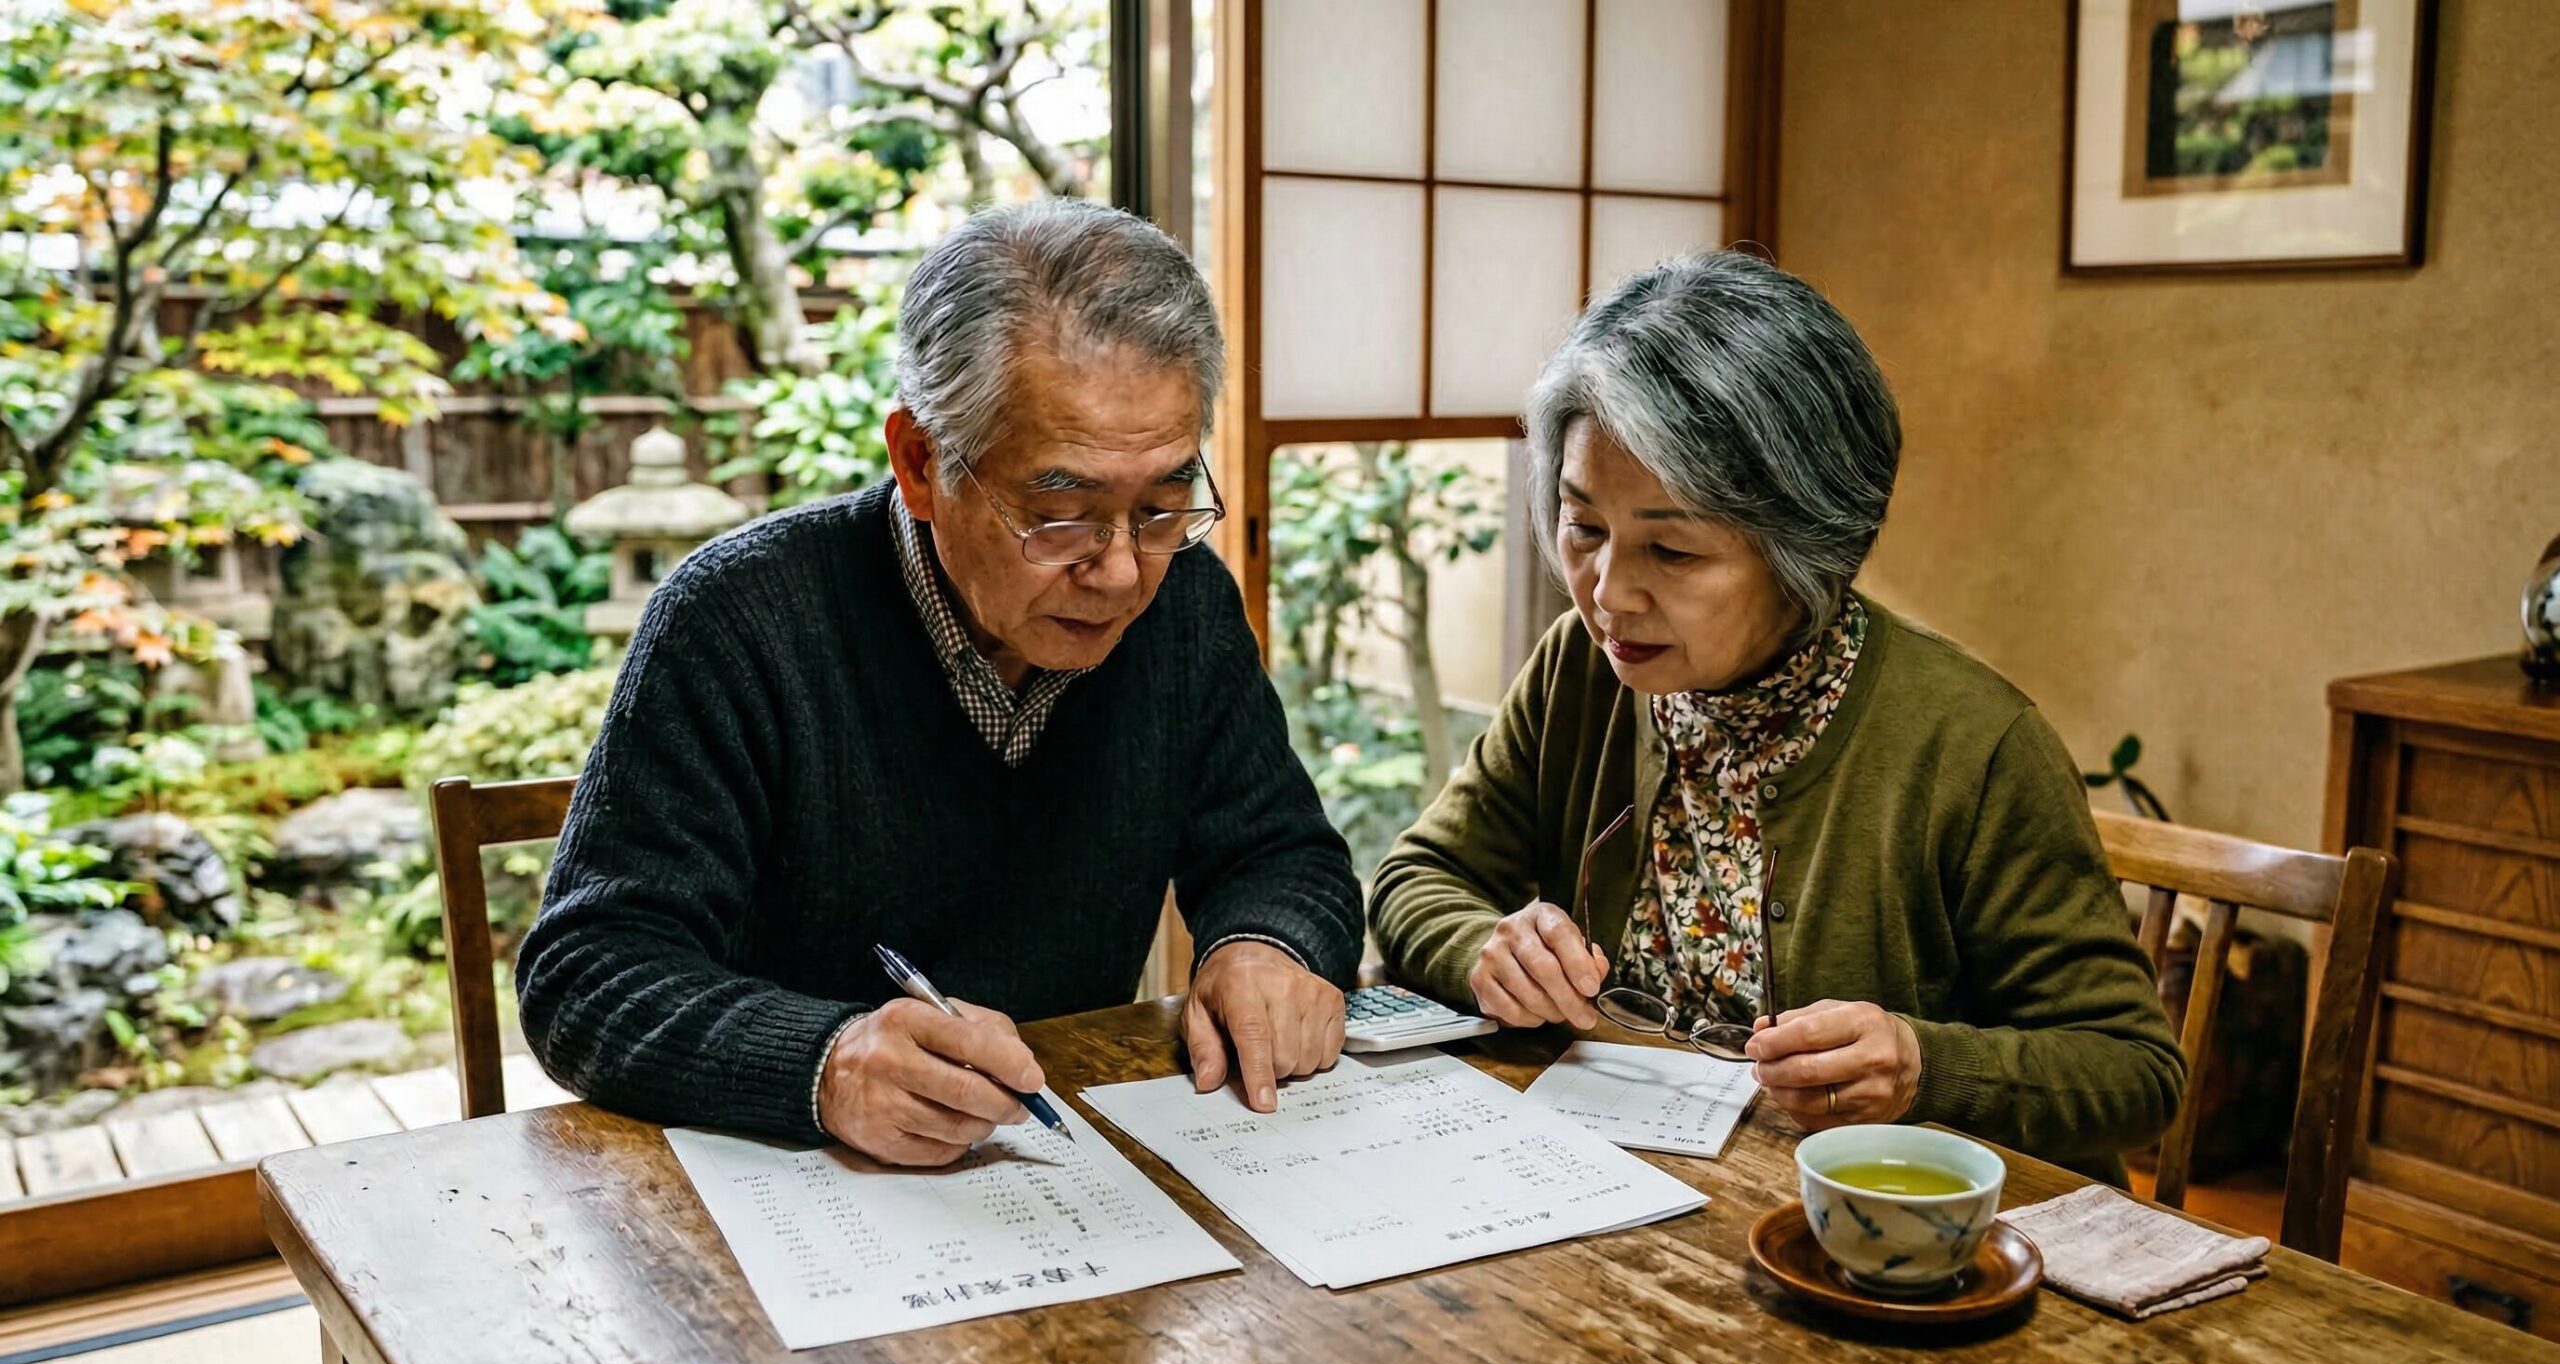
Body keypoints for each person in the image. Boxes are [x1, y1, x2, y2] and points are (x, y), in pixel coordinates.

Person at [516, 199, 1361, 1166]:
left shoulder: (1185, 605)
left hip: (1075, 1176)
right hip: (793, 1196)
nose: (1124, 571)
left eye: (1166, 504)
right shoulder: (740, 619)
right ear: (921, 462)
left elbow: (1283, 851)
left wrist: (1266, 947)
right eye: (1063, 512)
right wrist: (824, 1061)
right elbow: (587, 971)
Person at [1369, 251, 2183, 1179]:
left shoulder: (1974, 746)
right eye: (1584, 527)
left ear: (1803, 548)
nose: (1608, 593)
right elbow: (1417, 875)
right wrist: (1483, 946)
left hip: (1877, 1247)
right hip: (1619, 1197)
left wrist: (1923, 1065)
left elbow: (2135, 1069)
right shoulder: (1580, 673)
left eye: (1671, 550)